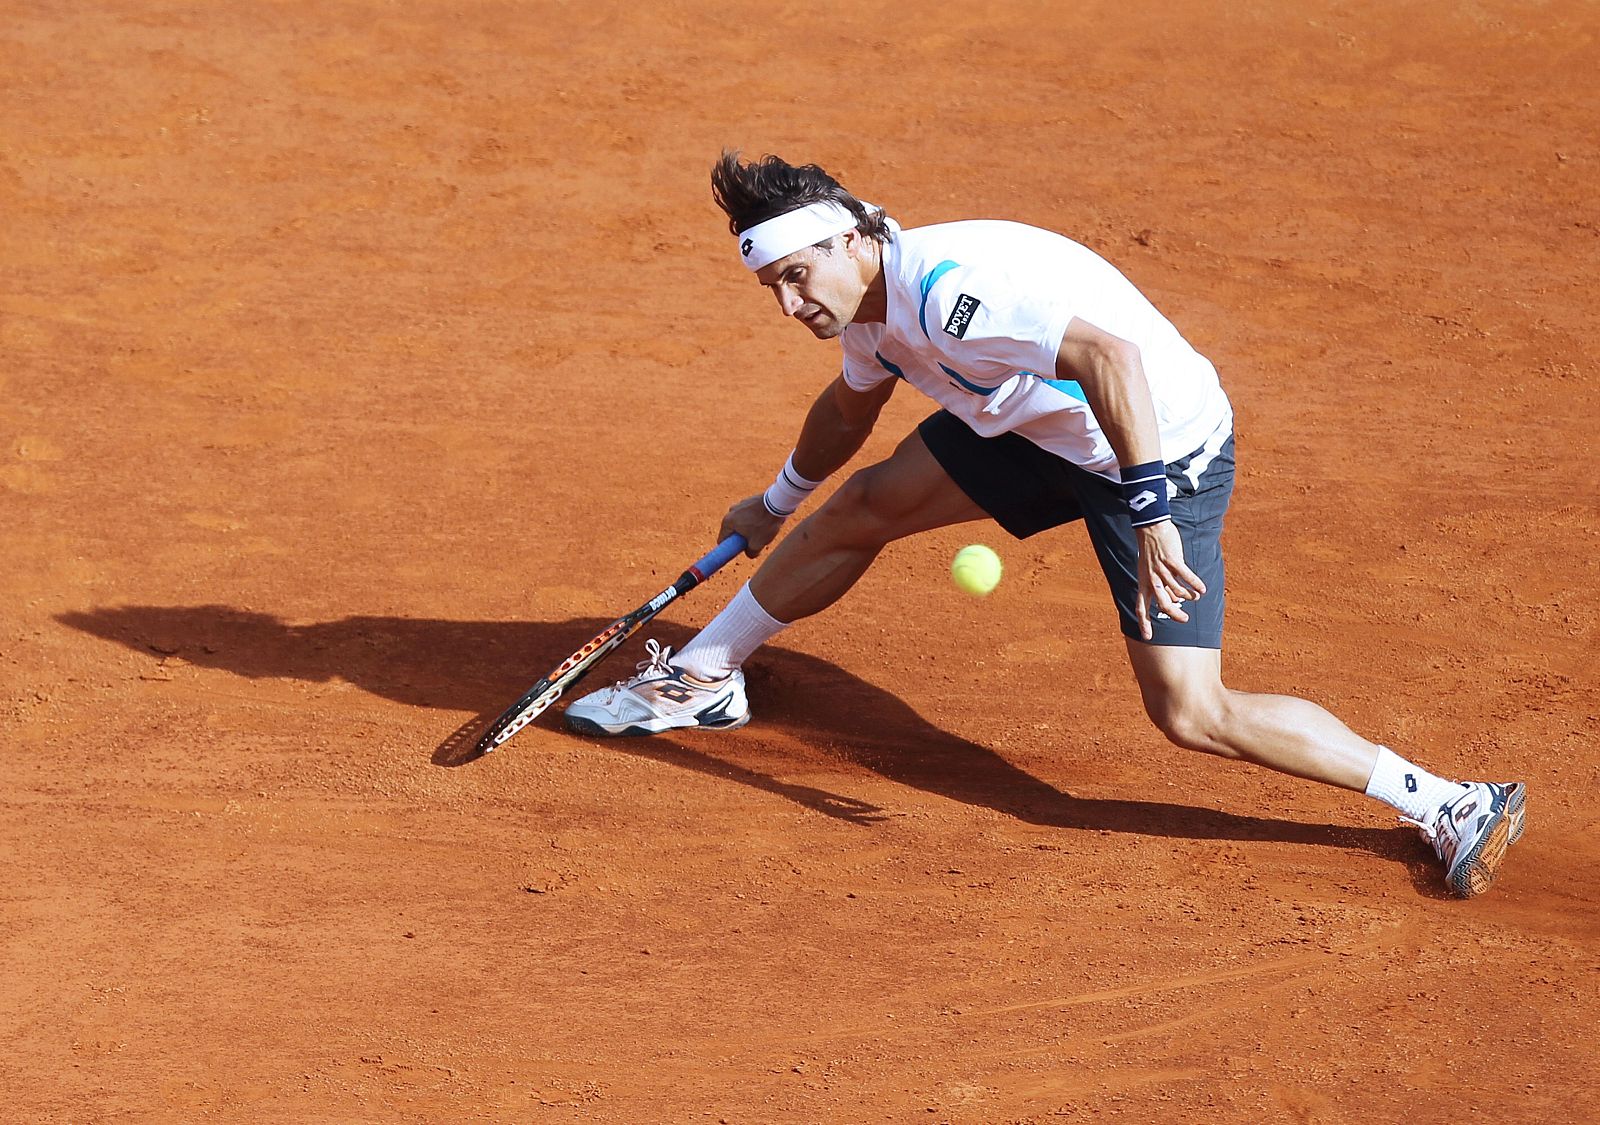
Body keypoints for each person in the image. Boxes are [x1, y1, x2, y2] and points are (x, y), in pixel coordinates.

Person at [565, 151, 1526, 898]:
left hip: (1151, 449)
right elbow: (851, 412)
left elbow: (1112, 362)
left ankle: (1447, 802)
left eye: (797, 274)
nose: (788, 302)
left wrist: (1151, 507)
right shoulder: (866, 304)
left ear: (852, 239)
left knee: (1191, 711)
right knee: (859, 506)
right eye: (769, 285)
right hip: (1036, 423)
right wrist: (772, 503)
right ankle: (704, 676)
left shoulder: (951, 292)